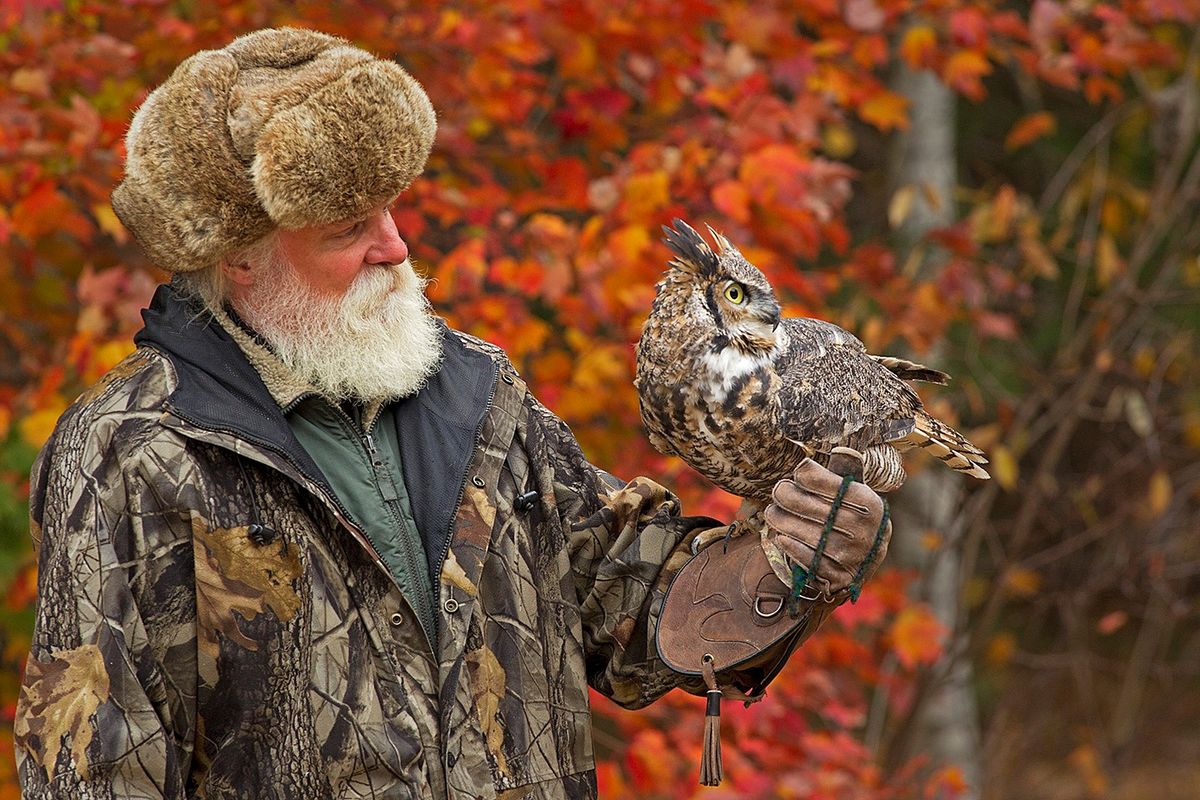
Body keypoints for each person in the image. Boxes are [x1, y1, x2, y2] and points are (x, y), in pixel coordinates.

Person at [15, 28, 892, 799]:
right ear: (240, 260)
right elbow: (91, 773)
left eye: (390, 208)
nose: (395, 245)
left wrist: (781, 561)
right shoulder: (136, 452)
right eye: (347, 226)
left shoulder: (473, 389)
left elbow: (616, 597)